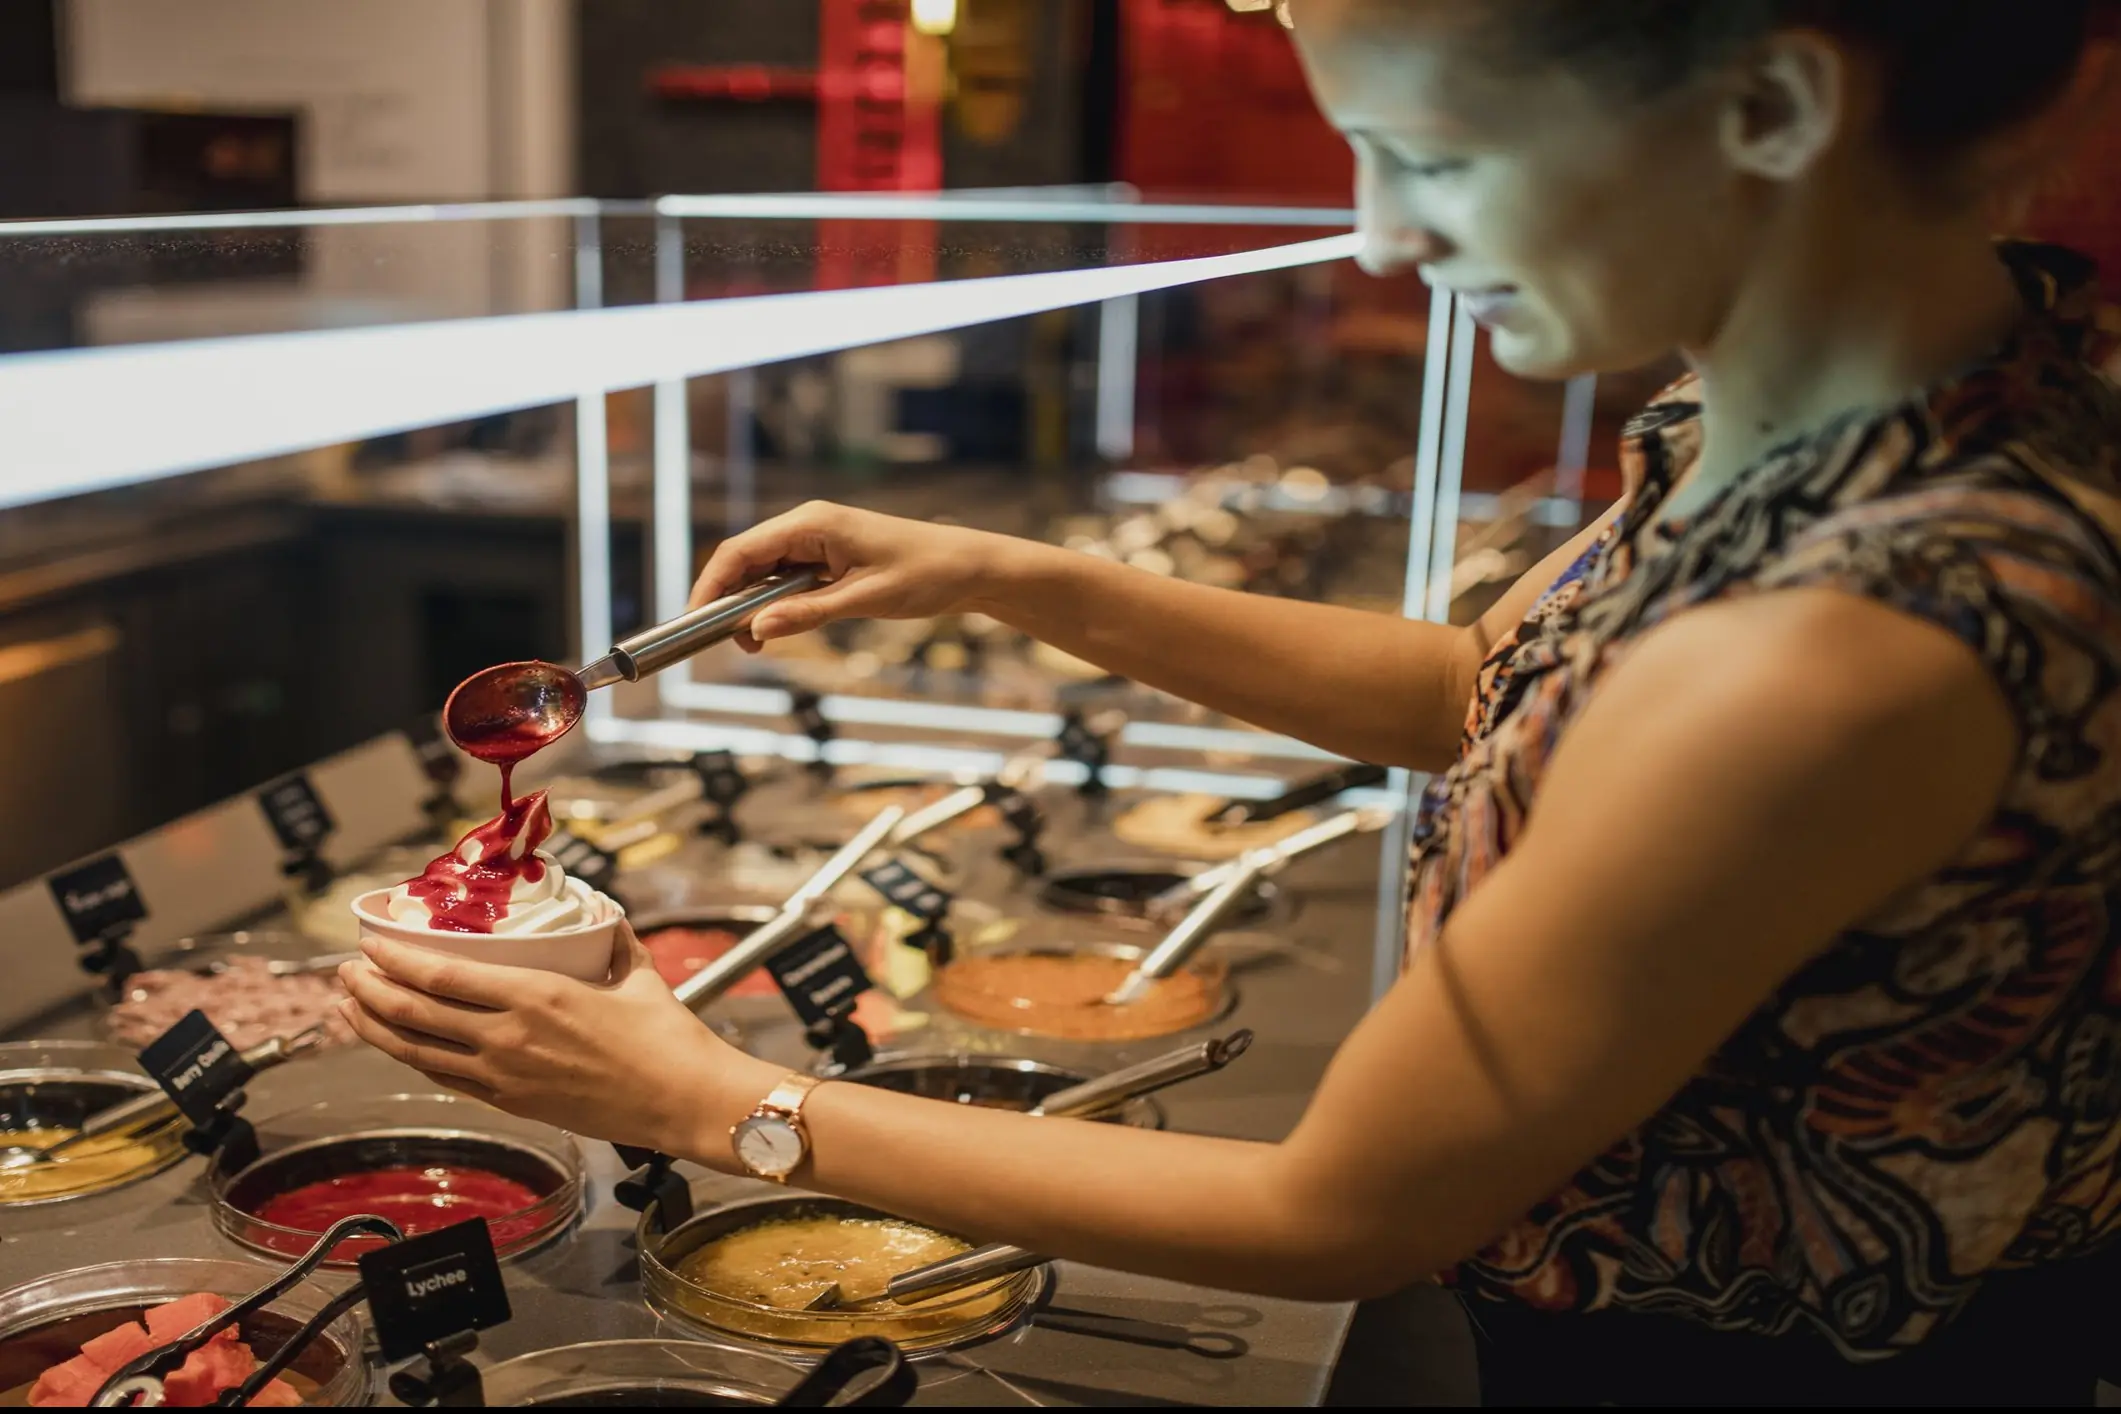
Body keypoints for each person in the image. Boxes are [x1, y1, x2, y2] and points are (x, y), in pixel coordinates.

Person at [340, 1, 2121, 1403]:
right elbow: (1484, 689)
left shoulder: (1841, 645)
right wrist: (1010, 573)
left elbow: (1346, 1206)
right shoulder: (1829, 409)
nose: (1377, 239)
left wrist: (708, 1095)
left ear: (1776, 110)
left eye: (1430, 155)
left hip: (1747, 1370)